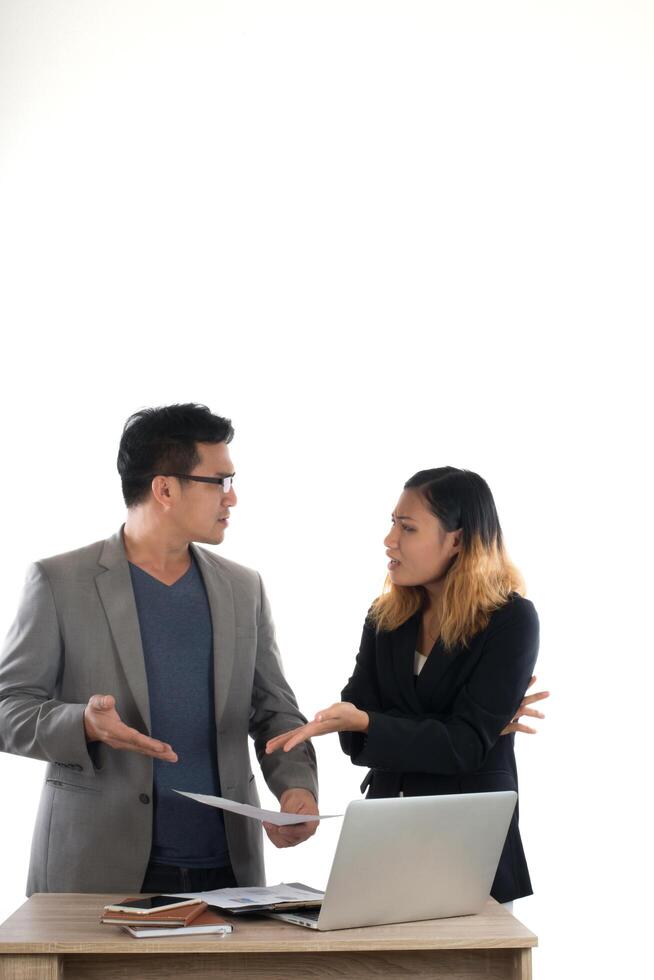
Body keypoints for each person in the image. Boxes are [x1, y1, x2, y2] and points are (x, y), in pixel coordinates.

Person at [0, 404, 318, 896]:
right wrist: (82, 723)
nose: (232, 499)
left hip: (227, 871)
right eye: (221, 481)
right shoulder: (58, 581)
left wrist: (296, 787)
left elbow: (275, 711)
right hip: (96, 865)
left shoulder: (243, 587)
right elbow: (7, 707)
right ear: (166, 488)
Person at [267, 466, 548, 905]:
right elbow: (356, 741)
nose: (389, 541)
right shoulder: (386, 618)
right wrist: (385, 726)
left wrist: (372, 723)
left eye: (408, 527)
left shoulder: (510, 620)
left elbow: (464, 746)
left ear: (456, 540)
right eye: (392, 523)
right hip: (385, 837)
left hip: (468, 848)